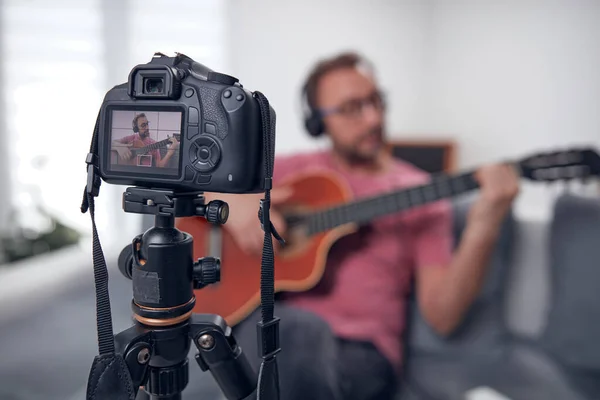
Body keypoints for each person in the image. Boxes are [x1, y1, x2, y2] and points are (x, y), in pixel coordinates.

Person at [203, 52, 520, 400]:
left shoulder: (421, 193)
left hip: (362, 355)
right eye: (352, 108)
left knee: (286, 334)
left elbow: (443, 317)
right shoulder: (297, 171)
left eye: (375, 101)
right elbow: (196, 183)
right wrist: (233, 206)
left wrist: (484, 224)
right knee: (279, 329)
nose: (373, 119)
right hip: (279, 331)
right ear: (317, 123)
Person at [112, 112, 179, 168]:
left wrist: (170, 152)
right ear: (136, 129)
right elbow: (113, 142)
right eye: (143, 125)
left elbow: (159, 166)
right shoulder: (131, 138)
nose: (147, 128)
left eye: (147, 124)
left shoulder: (154, 144)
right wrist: (119, 147)